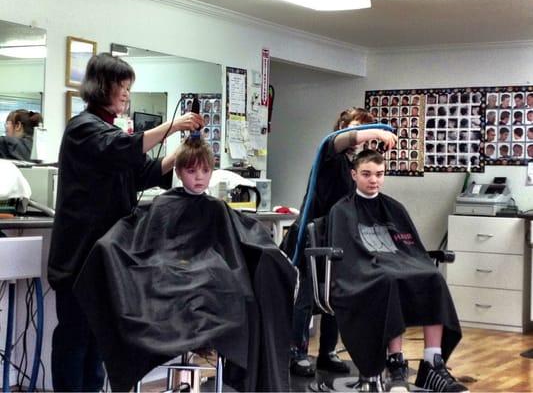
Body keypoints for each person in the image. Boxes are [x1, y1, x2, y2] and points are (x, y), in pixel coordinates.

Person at [73, 137, 297, 391]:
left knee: (237, 296)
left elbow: (249, 237)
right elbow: (133, 242)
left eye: (205, 170)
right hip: (170, 279)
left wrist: (271, 255)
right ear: (178, 172)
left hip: (207, 281)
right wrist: (109, 249)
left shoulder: (217, 209)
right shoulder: (163, 205)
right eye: (191, 171)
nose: (199, 177)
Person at [47, 53, 204, 392]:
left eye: (128, 87)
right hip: (78, 258)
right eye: (122, 86)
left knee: (98, 341)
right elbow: (122, 148)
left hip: (105, 259)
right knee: (75, 340)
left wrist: (182, 152)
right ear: (102, 85)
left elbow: (143, 172)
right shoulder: (83, 129)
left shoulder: (109, 132)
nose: (126, 94)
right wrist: (173, 126)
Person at [329, 150, 465, 392]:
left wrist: (405, 264)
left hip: (394, 267)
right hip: (362, 275)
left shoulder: (394, 208)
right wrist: (383, 264)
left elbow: (410, 247)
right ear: (353, 174)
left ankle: (433, 363)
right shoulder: (342, 210)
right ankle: (396, 364)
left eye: (379, 174)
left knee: (432, 277)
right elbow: (348, 255)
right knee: (389, 280)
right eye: (367, 174)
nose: (374, 180)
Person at [281, 107, 397, 378]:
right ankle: (295, 352)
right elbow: (339, 140)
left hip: (336, 236)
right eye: (358, 131)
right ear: (343, 128)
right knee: (305, 298)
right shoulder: (330, 155)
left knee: (335, 296)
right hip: (310, 235)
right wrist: (375, 131)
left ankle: (327, 352)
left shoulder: (354, 167)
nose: (362, 140)